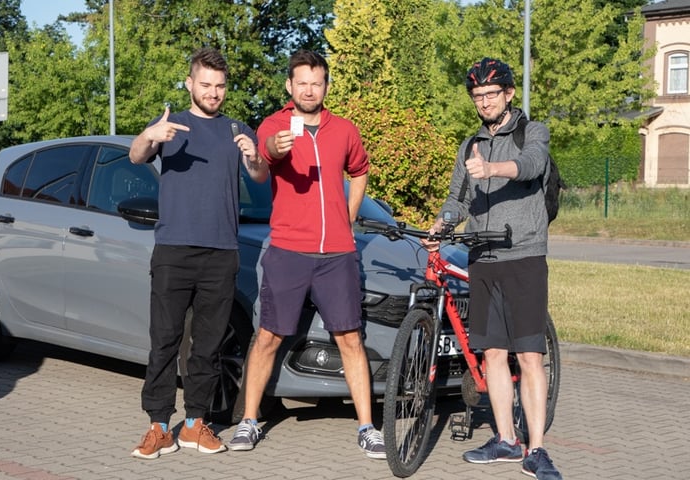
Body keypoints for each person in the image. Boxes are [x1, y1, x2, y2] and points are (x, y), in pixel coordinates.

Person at [228, 50, 386, 460]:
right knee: (267, 337)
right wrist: (271, 152)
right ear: (289, 86)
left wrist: (349, 218)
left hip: (337, 253)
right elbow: (260, 171)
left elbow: (361, 169)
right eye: (302, 83)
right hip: (288, 251)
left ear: (326, 86)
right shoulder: (274, 126)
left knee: (350, 337)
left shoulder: (344, 130)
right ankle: (249, 421)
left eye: (316, 83)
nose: (309, 90)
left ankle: (367, 427)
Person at [424, 58, 562, 479]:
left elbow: (533, 166)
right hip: (481, 257)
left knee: (530, 355)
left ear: (507, 94)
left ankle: (536, 449)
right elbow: (458, 198)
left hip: (523, 255)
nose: (484, 102)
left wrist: (492, 168)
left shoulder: (531, 132)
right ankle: (505, 439)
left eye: (491, 94)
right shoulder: (469, 145)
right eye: (478, 97)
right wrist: (442, 224)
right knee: (494, 354)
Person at [128, 47, 269, 460]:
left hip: (222, 251)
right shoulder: (170, 124)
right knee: (165, 341)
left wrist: (254, 156)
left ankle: (194, 425)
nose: (213, 92)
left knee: (208, 345)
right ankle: (157, 426)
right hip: (174, 249)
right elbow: (136, 155)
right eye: (205, 84)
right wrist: (149, 136)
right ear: (190, 84)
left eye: (220, 86)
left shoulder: (236, 129)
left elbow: (260, 174)